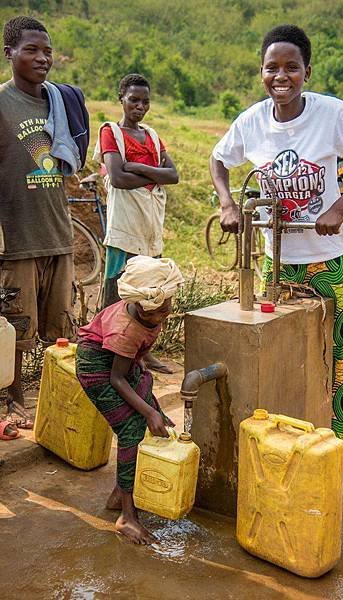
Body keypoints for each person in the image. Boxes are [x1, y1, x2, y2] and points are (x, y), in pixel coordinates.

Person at [210, 24, 343, 452]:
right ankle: (283, 440)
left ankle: (339, 446)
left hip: (326, 259)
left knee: (338, 356)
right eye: (272, 67)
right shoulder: (252, 121)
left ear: (307, 71)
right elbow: (219, 159)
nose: (281, 76)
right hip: (276, 263)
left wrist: (339, 207)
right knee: (279, 351)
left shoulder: (330, 114)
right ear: (261, 72)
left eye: (291, 67)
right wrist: (228, 204)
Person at [0, 16, 86, 429]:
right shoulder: (2, 103)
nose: (42, 58)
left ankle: (57, 397)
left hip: (58, 232)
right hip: (16, 236)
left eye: (47, 50)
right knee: (15, 330)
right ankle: (13, 400)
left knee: (61, 328)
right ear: (9, 53)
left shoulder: (59, 102)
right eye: (31, 49)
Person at [76, 255, 183, 544]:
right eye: (160, 312)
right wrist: (147, 412)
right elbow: (116, 379)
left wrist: (144, 364)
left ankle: (119, 493)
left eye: (167, 307)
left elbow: (134, 353)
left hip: (118, 363)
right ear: (142, 308)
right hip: (97, 370)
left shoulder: (146, 310)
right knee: (132, 429)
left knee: (154, 413)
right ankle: (126, 516)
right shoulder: (127, 329)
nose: (166, 314)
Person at [93, 73, 179, 374]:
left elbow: (174, 176)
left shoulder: (152, 136)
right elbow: (117, 177)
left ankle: (142, 352)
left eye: (145, 102)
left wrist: (138, 166)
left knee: (150, 291)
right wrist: (155, 172)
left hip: (150, 223)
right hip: (125, 224)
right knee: (118, 288)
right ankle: (108, 351)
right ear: (121, 99)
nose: (139, 106)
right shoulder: (111, 132)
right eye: (133, 100)